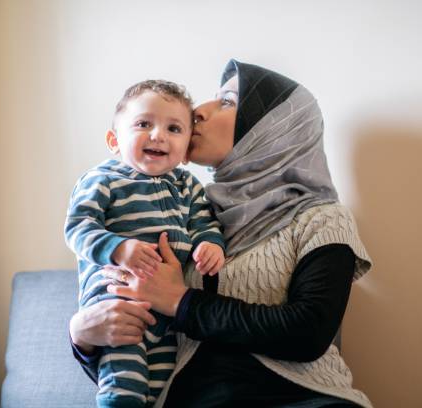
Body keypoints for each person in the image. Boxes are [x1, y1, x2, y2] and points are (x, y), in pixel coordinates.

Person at [70, 60, 373, 407]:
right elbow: (140, 359)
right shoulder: (181, 213)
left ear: (268, 131)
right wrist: (82, 336)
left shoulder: (321, 219)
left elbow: (308, 334)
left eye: (227, 102)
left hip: (304, 400)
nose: (199, 110)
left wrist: (180, 302)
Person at [64, 80, 225, 407]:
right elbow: (78, 227)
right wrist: (118, 247)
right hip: (116, 298)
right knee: (125, 381)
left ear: (185, 153)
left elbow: (203, 222)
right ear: (114, 140)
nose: (158, 135)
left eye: (174, 128)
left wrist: (211, 244)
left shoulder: (188, 186)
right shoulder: (103, 178)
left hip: (169, 312)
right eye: (143, 124)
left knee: (166, 385)